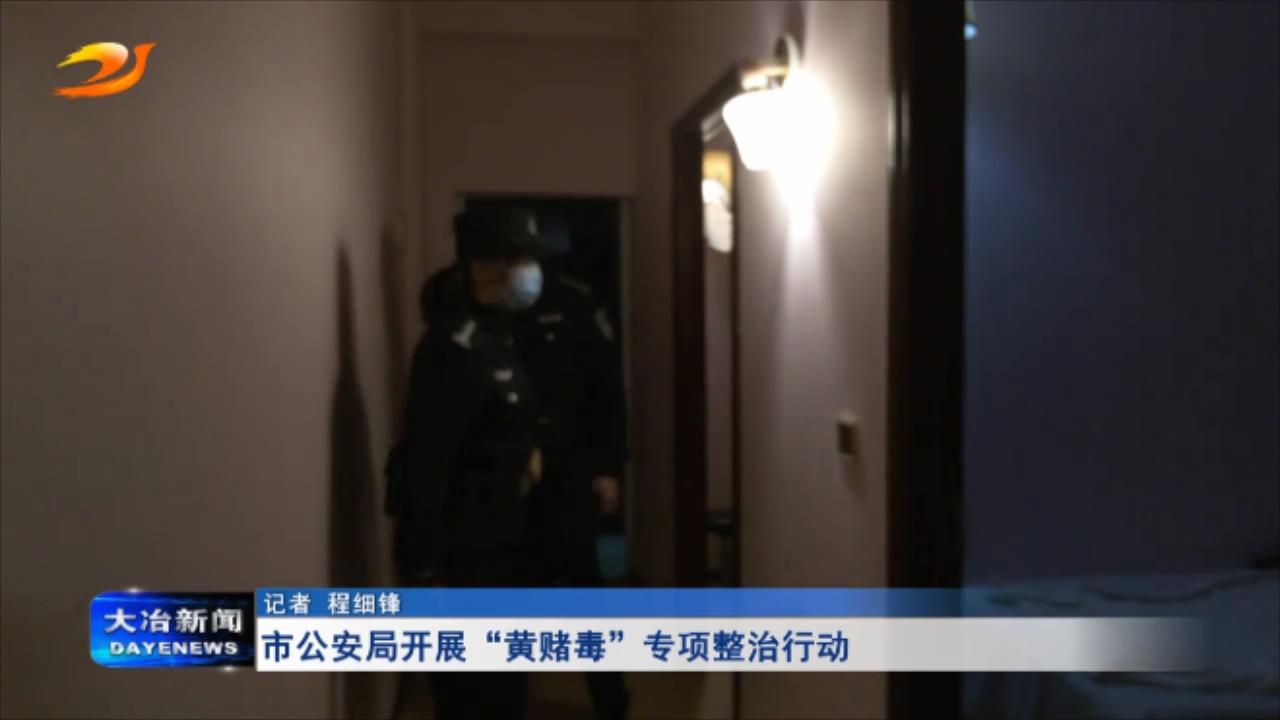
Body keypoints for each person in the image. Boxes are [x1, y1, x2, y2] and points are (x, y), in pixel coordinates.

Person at [419, 210, 631, 719]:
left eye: (526, 257)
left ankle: (611, 700)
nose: (523, 269)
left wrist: (607, 465)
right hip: (499, 487)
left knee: (585, 594)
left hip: (566, 469)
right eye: (512, 258)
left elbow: (605, 391)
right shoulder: (459, 306)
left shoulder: (572, 302)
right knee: (510, 599)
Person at [388, 206, 557, 720]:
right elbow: (429, 460)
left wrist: (526, 454)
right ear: (486, 268)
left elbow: (502, 421)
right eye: (522, 259)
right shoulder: (452, 348)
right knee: (472, 694)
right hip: (464, 552)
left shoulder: (496, 334)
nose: (532, 272)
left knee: (504, 685)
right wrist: (423, 567)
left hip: (504, 542)